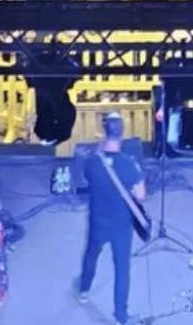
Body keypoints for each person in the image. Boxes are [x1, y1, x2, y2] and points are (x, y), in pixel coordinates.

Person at [74, 111, 146, 325]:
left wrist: (99, 151)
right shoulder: (129, 164)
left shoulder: (92, 162)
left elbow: (86, 179)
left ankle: (84, 290)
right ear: (122, 135)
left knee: (91, 254)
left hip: (98, 221)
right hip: (121, 226)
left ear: (104, 133)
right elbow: (140, 196)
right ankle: (120, 316)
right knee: (122, 268)